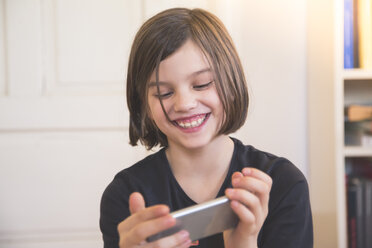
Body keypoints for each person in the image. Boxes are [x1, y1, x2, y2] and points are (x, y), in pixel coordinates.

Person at [100, 7, 313, 248]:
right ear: (144, 104)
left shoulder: (284, 184)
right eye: (164, 93)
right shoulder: (124, 195)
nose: (185, 104)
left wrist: (244, 243)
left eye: (202, 84)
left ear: (231, 82)